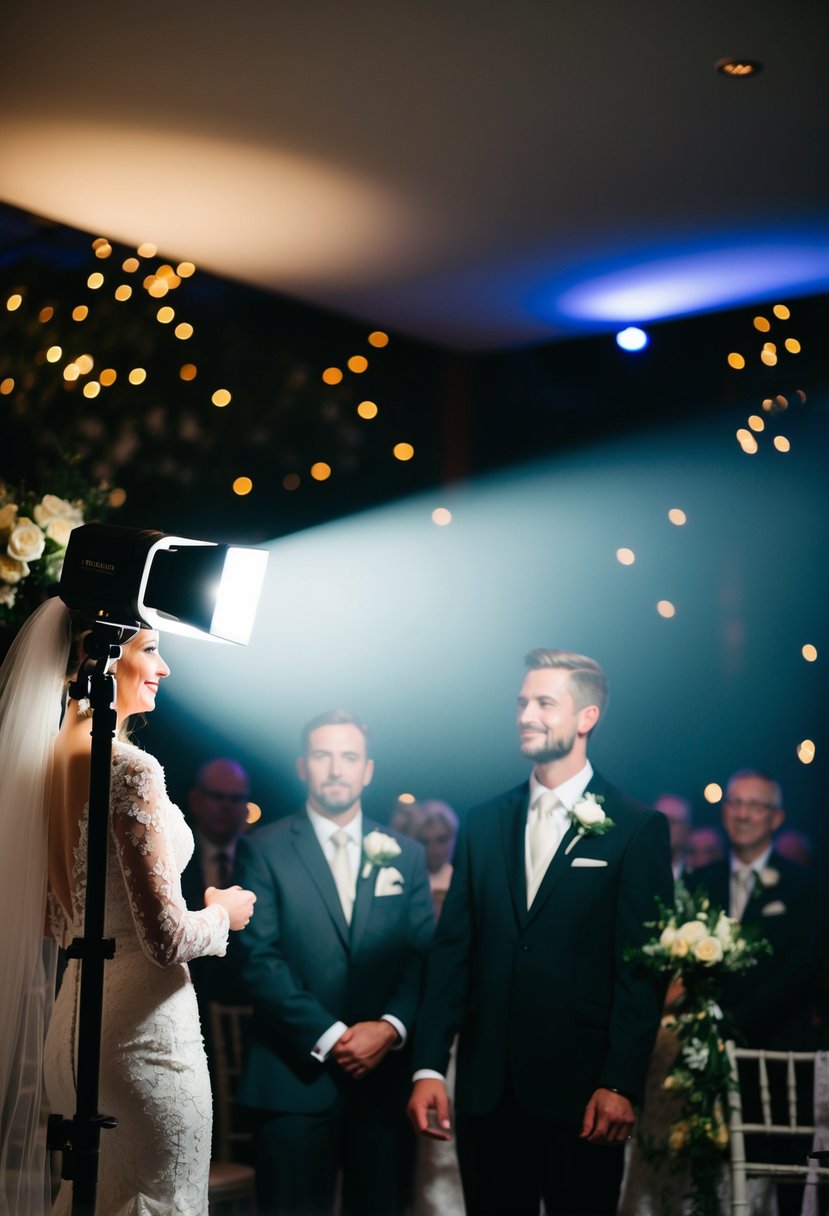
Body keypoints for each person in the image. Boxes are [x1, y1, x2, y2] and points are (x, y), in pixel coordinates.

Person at [0, 598, 256, 1215]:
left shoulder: (44, 766)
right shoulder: (130, 769)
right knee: (159, 1200)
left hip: (75, 1026)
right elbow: (165, 937)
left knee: (98, 1197)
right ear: (102, 658)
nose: (164, 669)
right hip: (145, 1037)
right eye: (151, 650)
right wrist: (224, 912)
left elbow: (51, 920)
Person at [408, 648, 673, 1216]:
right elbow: (453, 952)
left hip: (583, 1093)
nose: (526, 713)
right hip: (487, 1090)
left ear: (587, 717)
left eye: (544, 702)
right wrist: (430, 1065)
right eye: (522, 701)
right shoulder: (482, 821)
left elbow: (641, 971)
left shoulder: (636, 827)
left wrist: (621, 1082)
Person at [234, 708, 435, 1216]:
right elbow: (259, 958)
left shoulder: (406, 855)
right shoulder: (264, 849)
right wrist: (332, 1037)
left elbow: (420, 958)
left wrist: (388, 1028)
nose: (336, 769)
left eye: (349, 757)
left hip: (383, 1085)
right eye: (323, 756)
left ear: (367, 770)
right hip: (292, 1078)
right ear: (303, 766)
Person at [689, 769, 819, 1050]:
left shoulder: (805, 886)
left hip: (780, 1050)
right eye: (735, 803)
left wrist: (733, 1024)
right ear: (724, 811)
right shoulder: (698, 882)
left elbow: (799, 970)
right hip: (703, 1049)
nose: (743, 815)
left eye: (755, 806)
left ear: (776, 818)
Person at [181, 757, 252, 1073]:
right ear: (197, 800)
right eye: (218, 797)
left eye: (235, 799)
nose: (226, 806)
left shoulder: (260, 857)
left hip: (250, 1007)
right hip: (187, 1005)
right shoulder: (173, 856)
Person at [414, 800, 459, 919]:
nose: (434, 850)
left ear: (453, 838)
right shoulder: (409, 882)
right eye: (425, 842)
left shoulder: (464, 880)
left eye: (442, 840)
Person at [653, 792, 692, 880]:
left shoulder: (699, 879)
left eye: (671, 821)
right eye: (658, 821)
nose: (663, 827)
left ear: (686, 830)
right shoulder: (636, 873)